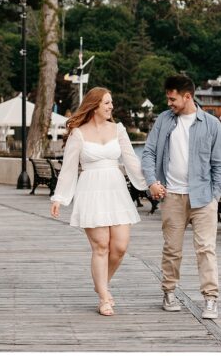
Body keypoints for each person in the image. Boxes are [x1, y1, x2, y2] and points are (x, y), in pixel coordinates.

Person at [50, 87, 147, 317]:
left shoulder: (118, 129)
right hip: (91, 191)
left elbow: (132, 161)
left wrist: (148, 183)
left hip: (116, 190)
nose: (111, 106)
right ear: (94, 106)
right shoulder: (78, 133)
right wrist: (60, 198)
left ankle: (101, 282)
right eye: (106, 103)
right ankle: (104, 296)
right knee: (101, 245)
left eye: (111, 102)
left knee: (120, 246)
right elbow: (69, 168)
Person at [141, 74, 221, 320]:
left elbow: (220, 165)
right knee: (172, 249)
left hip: (203, 199)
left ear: (187, 96)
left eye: (172, 98)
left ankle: (210, 299)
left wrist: (214, 196)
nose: (169, 103)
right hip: (172, 197)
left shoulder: (211, 124)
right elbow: (148, 153)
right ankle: (169, 292)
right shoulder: (164, 121)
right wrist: (152, 182)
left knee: (206, 249)